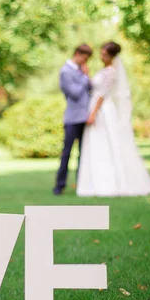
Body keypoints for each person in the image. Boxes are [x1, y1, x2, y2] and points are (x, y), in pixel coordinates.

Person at [76, 42, 150, 197]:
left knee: (106, 144)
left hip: (103, 111)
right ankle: (94, 181)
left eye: (105, 54)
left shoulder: (111, 72)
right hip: (97, 108)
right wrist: (86, 75)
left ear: (112, 56)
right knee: (96, 144)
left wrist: (93, 114)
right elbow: (95, 89)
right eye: (101, 53)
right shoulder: (104, 70)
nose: (101, 57)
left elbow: (102, 95)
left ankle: (110, 182)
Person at [53, 44, 93, 195]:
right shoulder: (65, 71)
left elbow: (90, 89)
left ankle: (82, 184)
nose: (85, 61)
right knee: (67, 152)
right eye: (85, 57)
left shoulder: (81, 72)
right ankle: (59, 185)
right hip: (72, 118)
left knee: (84, 153)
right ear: (77, 54)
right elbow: (75, 93)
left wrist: (86, 76)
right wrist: (84, 77)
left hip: (85, 118)